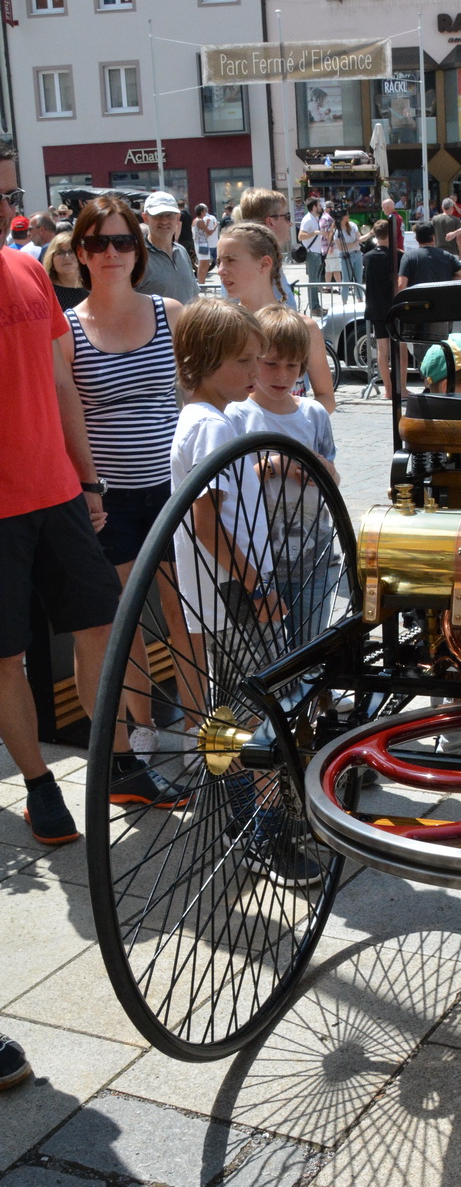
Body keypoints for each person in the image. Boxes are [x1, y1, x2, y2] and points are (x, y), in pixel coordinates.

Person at [0, 146, 148, 851]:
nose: (6, 208)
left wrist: (87, 482)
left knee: (101, 629)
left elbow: (62, 386)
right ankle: (38, 786)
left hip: (56, 492)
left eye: (6, 195)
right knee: (6, 659)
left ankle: (113, 758)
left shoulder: (27, 268)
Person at [169, 298, 320, 888]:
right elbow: (207, 523)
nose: (256, 372)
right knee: (255, 711)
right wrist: (256, 587)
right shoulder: (208, 425)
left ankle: (240, 812)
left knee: (230, 708)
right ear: (206, 362)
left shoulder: (215, 416)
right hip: (232, 590)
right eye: (245, 361)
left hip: (226, 588)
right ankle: (260, 828)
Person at [61, 197, 197, 779]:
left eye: (121, 242)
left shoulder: (170, 312)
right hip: (110, 497)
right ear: (80, 253)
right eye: (97, 244)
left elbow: (194, 402)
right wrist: (88, 487)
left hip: (173, 489)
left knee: (182, 612)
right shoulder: (67, 329)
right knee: (126, 618)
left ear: (137, 250)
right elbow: (68, 418)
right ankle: (140, 731)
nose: (110, 253)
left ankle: (197, 724)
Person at [227, 305, 340, 643]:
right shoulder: (237, 415)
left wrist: (320, 469)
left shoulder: (314, 414)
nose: (282, 375)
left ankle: (314, 693)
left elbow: (333, 476)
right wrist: (275, 466)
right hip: (260, 562)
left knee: (311, 642)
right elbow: (231, 483)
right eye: (271, 363)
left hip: (314, 552)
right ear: (252, 361)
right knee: (266, 648)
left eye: (292, 366)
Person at [214, 222, 335, 411]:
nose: (221, 270)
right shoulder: (221, 327)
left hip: (289, 439)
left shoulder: (304, 328)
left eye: (230, 260)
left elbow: (326, 397)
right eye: (219, 261)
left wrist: (294, 422)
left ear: (264, 264)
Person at [364, 218, 401, 394]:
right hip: (394, 306)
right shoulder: (397, 256)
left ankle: (387, 389)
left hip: (376, 307)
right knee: (399, 348)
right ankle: (401, 387)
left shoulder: (368, 257)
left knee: (382, 349)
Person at [140, 191, 197, 303]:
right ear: (145, 218)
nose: (164, 221)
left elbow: (194, 296)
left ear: (177, 218)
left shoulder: (181, 251)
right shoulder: (138, 257)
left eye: (169, 215)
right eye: (158, 216)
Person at [399, 219, 461, 288]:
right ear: (433, 238)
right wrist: (448, 280)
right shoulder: (447, 256)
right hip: (441, 298)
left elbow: (401, 284)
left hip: (418, 298)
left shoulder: (408, 257)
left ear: (416, 239)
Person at [236, 188, 295, 255]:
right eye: (287, 216)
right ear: (270, 222)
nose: (290, 224)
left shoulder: (248, 253)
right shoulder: (259, 260)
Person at [42, 232, 86, 309]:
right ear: (51, 261)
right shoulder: (46, 293)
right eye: (60, 253)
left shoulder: (92, 288)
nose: (67, 256)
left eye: (71, 251)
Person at [298, 195, 325, 314]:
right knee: (313, 281)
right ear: (314, 207)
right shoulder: (308, 219)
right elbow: (301, 236)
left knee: (315, 280)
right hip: (311, 253)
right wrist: (314, 233)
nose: (321, 207)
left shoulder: (315, 218)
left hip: (316, 253)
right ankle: (314, 307)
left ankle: (316, 305)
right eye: (319, 205)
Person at [191, 202, 219, 284]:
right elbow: (209, 232)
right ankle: (201, 282)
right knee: (203, 264)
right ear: (202, 211)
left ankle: (201, 281)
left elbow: (202, 230)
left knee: (205, 264)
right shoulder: (200, 221)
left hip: (198, 243)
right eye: (204, 211)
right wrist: (215, 226)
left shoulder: (195, 220)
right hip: (202, 243)